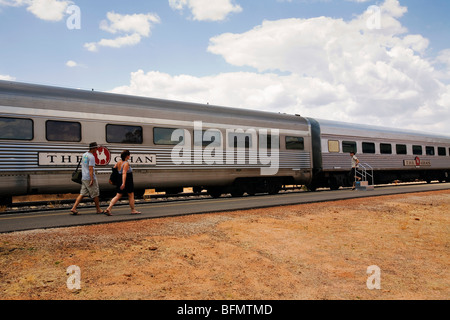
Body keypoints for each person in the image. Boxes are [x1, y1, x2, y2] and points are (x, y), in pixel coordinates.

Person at [104, 150, 141, 215]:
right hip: (127, 181)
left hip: (119, 180)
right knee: (131, 195)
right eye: (129, 155)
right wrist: (123, 183)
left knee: (118, 195)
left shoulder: (118, 162)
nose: (129, 156)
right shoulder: (126, 163)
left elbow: (114, 170)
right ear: (127, 156)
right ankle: (133, 210)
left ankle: (109, 208)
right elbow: (124, 173)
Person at [71, 142, 103, 215]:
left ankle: (74, 208)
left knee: (82, 193)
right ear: (93, 148)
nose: (97, 150)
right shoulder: (91, 157)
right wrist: (92, 179)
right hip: (89, 177)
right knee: (95, 193)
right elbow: (90, 168)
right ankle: (98, 209)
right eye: (96, 148)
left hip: (84, 177)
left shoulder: (84, 155)